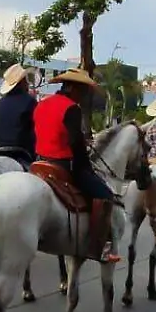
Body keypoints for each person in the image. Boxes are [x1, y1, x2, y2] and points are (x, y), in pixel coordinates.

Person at [32, 67, 121, 263]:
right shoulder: (71, 107)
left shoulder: (41, 104)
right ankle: (100, 247)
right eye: (82, 90)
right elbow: (74, 144)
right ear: (72, 87)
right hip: (64, 165)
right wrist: (86, 165)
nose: (83, 95)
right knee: (105, 195)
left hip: (39, 162)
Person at [0, 63, 37, 167]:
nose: (27, 83)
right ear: (22, 82)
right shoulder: (30, 101)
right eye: (26, 80)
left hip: (0, 151)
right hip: (23, 152)